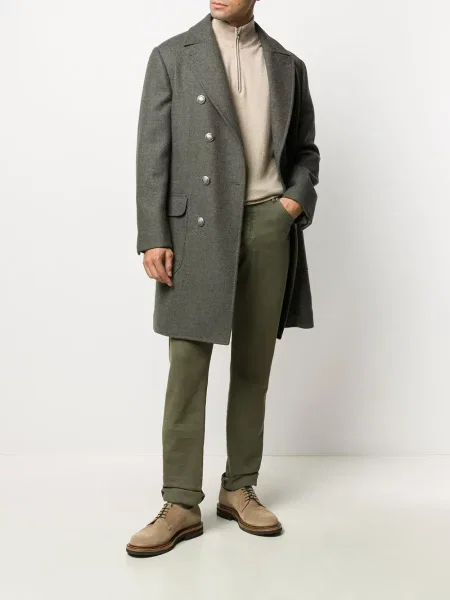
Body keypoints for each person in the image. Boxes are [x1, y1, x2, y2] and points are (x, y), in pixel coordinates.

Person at [126, 0, 320, 557]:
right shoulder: (172, 56)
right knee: (187, 367)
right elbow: (152, 152)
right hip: (195, 231)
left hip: (266, 224)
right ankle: (181, 502)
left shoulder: (287, 64)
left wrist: (291, 203)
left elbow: (305, 150)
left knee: (254, 365)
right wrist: (153, 233)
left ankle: (239, 488)